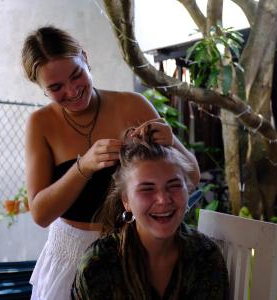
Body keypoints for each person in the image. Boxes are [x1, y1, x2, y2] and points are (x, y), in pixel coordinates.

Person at [21, 25, 200, 300]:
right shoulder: (40, 124)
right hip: (70, 256)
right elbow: (40, 214)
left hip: (133, 252)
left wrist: (170, 140)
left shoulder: (134, 105)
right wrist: (83, 167)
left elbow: (191, 176)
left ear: (85, 57)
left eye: (76, 75)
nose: (71, 91)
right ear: (41, 87)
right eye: (55, 87)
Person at [71, 129, 229, 300]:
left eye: (174, 185)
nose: (163, 199)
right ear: (126, 201)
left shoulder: (205, 257)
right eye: (147, 189)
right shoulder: (99, 264)